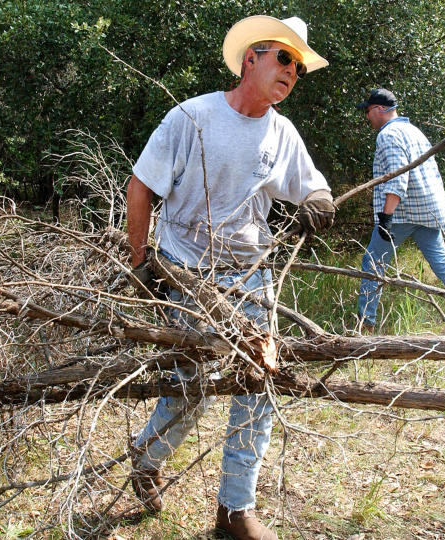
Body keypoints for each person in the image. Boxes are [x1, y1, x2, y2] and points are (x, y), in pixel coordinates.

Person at [125, 15, 335, 540]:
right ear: (252, 58)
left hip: (249, 275)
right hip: (185, 274)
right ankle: (146, 457)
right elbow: (141, 187)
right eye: (283, 58)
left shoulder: (282, 132)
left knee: (258, 380)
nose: (291, 71)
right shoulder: (192, 117)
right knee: (187, 390)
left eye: (298, 67)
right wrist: (141, 263)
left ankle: (235, 511)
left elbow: (312, 187)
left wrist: (319, 205)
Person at [354, 88, 445, 336]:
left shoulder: (388, 135)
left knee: (372, 264)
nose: (367, 117)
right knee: (442, 262)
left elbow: (397, 177)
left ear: (380, 109)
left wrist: (385, 218)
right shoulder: (413, 131)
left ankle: (365, 326)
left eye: (368, 111)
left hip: (403, 212)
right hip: (429, 210)